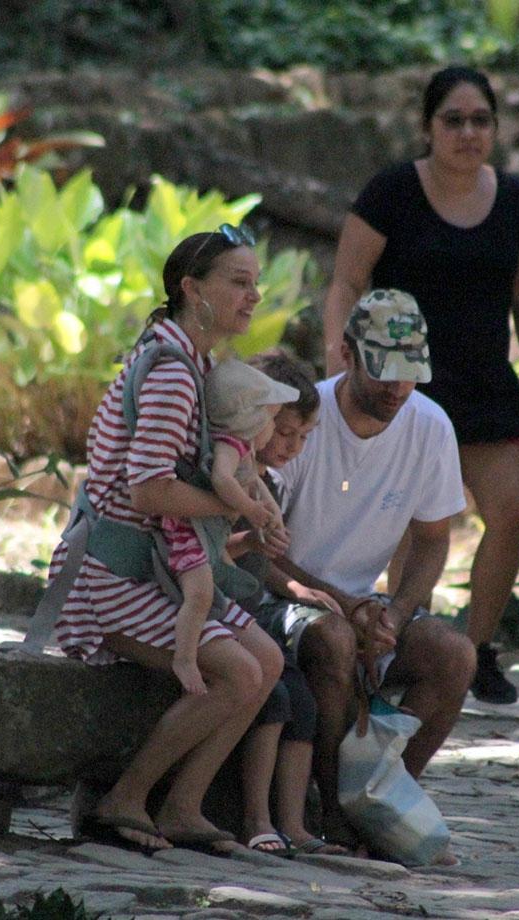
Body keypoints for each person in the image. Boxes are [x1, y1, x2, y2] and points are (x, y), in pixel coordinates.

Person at [46, 225, 284, 854]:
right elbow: (148, 490)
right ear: (191, 289)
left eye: (255, 283)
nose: (253, 296)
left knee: (269, 660)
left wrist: (247, 502)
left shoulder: (189, 360)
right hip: (111, 574)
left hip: (158, 567)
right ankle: (124, 800)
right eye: (239, 281)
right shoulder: (176, 373)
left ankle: (183, 806)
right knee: (236, 672)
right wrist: (242, 512)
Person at [322, 64, 519, 705]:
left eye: (481, 120)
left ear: (496, 129)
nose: (468, 132)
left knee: (509, 513)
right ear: (428, 127)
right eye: (453, 119)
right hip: (401, 386)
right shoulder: (391, 193)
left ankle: (476, 649)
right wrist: (342, 362)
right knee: (406, 523)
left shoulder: (516, 201)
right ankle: (397, 643)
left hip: (486, 383)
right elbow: (345, 281)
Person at [265, 289, 476, 852]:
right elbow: (258, 551)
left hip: (365, 604)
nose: (397, 389)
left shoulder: (430, 427)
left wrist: (396, 612)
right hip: (287, 596)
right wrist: (344, 605)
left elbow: (433, 539)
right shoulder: (303, 420)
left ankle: (385, 797)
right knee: (333, 638)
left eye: (409, 375)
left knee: (454, 654)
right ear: (346, 354)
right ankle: (334, 810)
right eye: (383, 372)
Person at [231, 353, 351, 856]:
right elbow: (220, 548)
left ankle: (295, 824)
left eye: (303, 439)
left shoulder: (270, 481)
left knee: (301, 700)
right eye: (284, 434)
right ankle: (257, 820)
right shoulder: (232, 477)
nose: (292, 448)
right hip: (222, 611)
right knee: (274, 697)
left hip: (253, 607)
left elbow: (264, 560)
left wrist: (295, 589)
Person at [165, 357, 296, 698]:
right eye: (272, 419)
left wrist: (270, 510)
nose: (272, 427)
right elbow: (224, 480)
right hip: (190, 534)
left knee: (217, 590)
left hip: (211, 537)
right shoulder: (230, 445)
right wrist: (250, 509)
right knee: (201, 593)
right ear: (250, 420)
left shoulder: (244, 450)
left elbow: (254, 482)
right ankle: (184, 656)